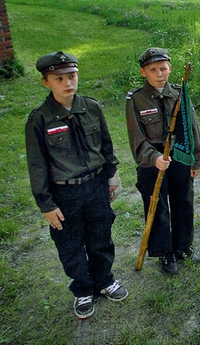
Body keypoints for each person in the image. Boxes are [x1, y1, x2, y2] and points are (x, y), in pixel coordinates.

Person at [25, 51, 128, 320]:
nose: (67, 83)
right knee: (70, 244)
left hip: (95, 186)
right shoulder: (40, 119)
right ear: (46, 82)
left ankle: (104, 280)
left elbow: (105, 144)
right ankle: (83, 290)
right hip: (65, 192)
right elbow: (37, 165)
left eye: (71, 76)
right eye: (59, 78)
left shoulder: (91, 107)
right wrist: (46, 204)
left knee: (100, 236)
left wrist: (111, 175)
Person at [126, 47, 200, 275]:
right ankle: (165, 252)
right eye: (153, 69)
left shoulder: (180, 94)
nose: (159, 74)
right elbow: (136, 137)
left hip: (179, 155)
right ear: (143, 72)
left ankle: (182, 246)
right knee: (157, 206)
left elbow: (192, 128)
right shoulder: (136, 100)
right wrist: (153, 157)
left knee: (183, 201)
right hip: (153, 161)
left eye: (163, 68)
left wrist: (195, 160)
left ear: (170, 68)